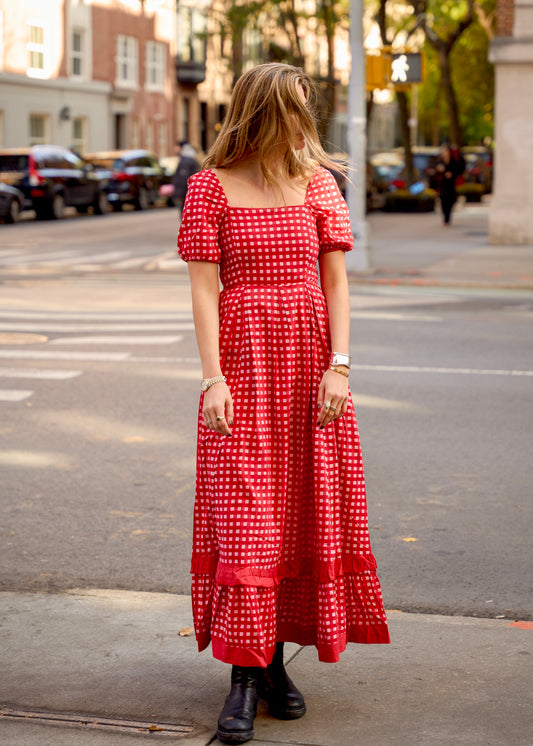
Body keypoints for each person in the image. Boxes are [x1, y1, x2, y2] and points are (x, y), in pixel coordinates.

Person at [177, 63, 390, 745]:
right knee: (246, 518)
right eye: (297, 106)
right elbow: (205, 290)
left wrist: (340, 367)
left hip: (309, 371)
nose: (307, 119)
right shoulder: (209, 188)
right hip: (241, 369)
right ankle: (245, 676)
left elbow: (336, 286)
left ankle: (268, 668)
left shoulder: (318, 186)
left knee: (298, 515)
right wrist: (213, 378)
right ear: (267, 112)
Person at [435, 143, 465, 226]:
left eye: (446, 152)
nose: (445, 153)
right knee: (443, 201)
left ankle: (448, 215)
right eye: (444, 152)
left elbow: (459, 169)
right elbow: (435, 170)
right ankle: (446, 219)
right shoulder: (440, 161)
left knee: (451, 200)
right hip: (442, 184)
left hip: (451, 184)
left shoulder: (453, 161)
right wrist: (439, 170)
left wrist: (452, 174)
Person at [171, 140, 200, 214]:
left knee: (185, 214)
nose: (175, 148)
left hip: (186, 194)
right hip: (193, 193)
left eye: (177, 146)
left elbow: (183, 178)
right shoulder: (193, 160)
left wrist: (180, 194)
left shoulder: (185, 161)